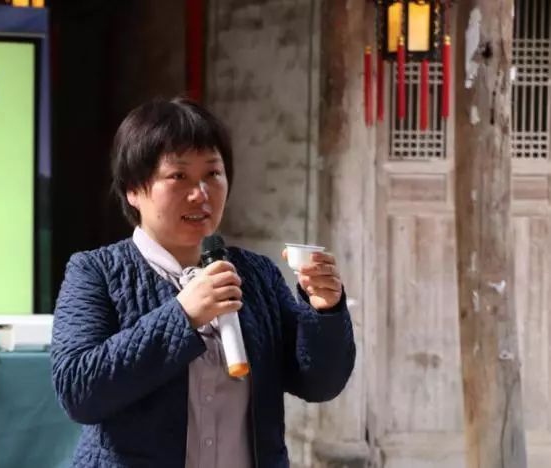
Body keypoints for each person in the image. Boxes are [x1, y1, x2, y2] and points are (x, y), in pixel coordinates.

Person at [51, 97, 355, 468]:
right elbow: (78, 390)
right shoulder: (94, 272)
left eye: (212, 174)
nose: (201, 194)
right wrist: (182, 316)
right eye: (178, 176)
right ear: (133, 189)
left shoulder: (257, 274)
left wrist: (325, 312)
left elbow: (320, 384)